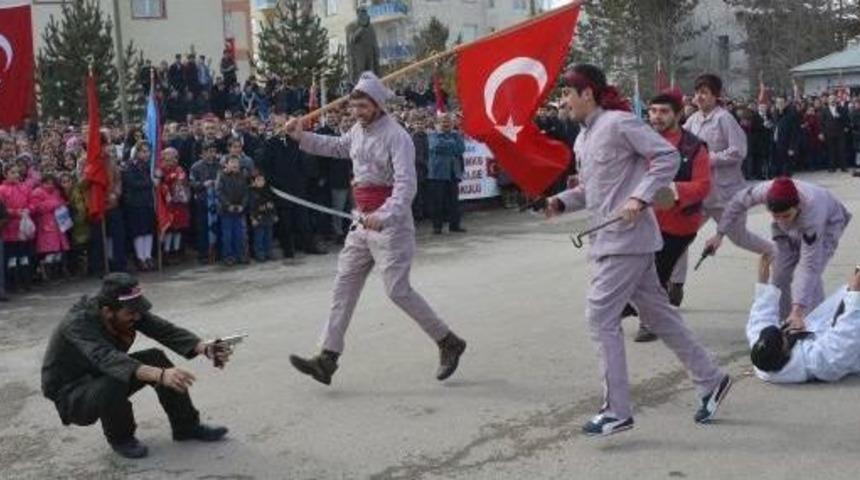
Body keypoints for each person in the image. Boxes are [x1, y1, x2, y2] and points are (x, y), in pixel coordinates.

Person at [545, 64, 731, 436]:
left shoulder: (618, 123)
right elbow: (593, 190)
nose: (563, 101)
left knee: (599, 317)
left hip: (625, 241)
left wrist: (640, 197)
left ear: (588, 94)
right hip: (611, 239)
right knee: (660, 315)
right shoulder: (583, 139)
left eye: (568, 93)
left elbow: (666, 157)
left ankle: (616, 410)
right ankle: (711, 379)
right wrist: (561, 202)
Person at [284, 72, 467, 385]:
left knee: (397, 291)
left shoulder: (398, 137)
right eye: (354, 107)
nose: (357, 112)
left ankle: (448, 341)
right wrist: (301, 135)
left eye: (363, 107)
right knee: (344, 285)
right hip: (360, 222)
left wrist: (385, 215)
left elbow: (406, 186)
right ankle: (327, 357)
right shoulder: (356, 130)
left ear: (378, 105)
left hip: (390, 226)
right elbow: (338, 147)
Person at [40, 273, 231, 459]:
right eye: (131, 313)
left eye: (138, 311)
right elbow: (106, 357)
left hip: (100, 373)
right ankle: (122, 439)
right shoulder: (77, 323)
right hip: (72, 392)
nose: (137, 317)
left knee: (154, 358)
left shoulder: (125, 310)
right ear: (107, 312)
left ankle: (186, 426)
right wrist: (160, 375)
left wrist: (205, 348)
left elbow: (164, 330)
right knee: (117, 378)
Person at [669, 74, 774, 306]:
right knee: (680, 235)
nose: (699, 96)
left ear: (716, 96)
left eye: (705, 92)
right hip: (700, 195)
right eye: (697, 92)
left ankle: (774, 250)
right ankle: (675, 286)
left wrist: (708, 159)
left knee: (740, 238)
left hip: (726, 194)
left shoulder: (724, 119)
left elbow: (739, 151)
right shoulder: (692, 120)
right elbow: (681, 146)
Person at [705, 177, 851, 330]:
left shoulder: (813, 211)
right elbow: (737, 203)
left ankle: (814, 325)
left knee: (810, 277)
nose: (782, 219)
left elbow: (809, 266)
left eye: (786, 215)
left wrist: (797, 309)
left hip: (829, 224)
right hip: (786, 229)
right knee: (780, 274)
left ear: (797, 206)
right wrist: (719, 234)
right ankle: (785, 323)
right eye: (776, 215)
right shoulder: (763, 191)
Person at [628, 89, 712, 343]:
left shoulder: (694, 147)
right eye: (653, 111)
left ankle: (648, 320)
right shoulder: (639, 140)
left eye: (664, 112)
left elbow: (703, 186)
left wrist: (672, 191)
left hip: (679, 224)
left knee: (655, 273)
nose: (656, 116)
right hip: (643, 219)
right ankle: (640, 307)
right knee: (638, 270)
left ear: (678, 114)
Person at [747, 256, 860, 383]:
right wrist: (855, 293)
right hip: (853, 343)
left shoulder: (762, 352)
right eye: (782, 336)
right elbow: (847, 335)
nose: (783, 330)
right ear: (785, 351)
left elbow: (760, 320)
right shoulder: (819, 361)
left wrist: (763, 280)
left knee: (847, 292)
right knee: (852, 297)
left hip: (823, 329)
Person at [427, 114, 467, 235]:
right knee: (437, 202)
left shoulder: (456, 135)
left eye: (448, 122)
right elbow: (436, 146)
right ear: (438, 123)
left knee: (454, 201)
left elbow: (461, 149)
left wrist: (447, 144)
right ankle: (437, 227)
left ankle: (454, 225)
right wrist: (451, 144)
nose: (446, 124)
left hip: (453, 172)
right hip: (437, 174)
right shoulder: (433, 135)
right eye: (443, 122)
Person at [0, 164, 35, 292]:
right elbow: (3, 210)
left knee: (24, 256)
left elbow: (32, 202)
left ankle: (25, 282)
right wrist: (15, 212)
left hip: (23, 228)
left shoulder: (24, 188)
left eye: (17, 172)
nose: (16, 175)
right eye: (12, 172)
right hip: (9, 229)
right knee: (11, 258)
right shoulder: (2, 189)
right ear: (5, 174)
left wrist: (28, 210)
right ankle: (12, 284)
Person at [122, 142, 156, 272]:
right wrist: (150, 182)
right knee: (139, 232)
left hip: (147, 202)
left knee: (148, 231)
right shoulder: (129, 166)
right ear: (136, 152)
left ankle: (148, 256)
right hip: (135, 203)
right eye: (143, 151)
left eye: (148, 151)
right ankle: (140, 258)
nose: (146, 154)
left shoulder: (148, 166)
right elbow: (132, 183)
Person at [31, 171, 71, 282]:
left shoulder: (56, 192)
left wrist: (61, 204)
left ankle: (55, 273)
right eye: (47, 183)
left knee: (57, 251)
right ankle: (46, 273)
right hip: (46, 224)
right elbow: (36, 208)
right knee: (49, 252)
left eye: (52, 183)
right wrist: (54, 204)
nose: (50, 185)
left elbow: (61, 202)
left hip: (58, 223)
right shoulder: (37, 192)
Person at [189, 142, 222, 264]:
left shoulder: (218, 166)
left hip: (216, 201)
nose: (210, 154)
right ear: (202, 153)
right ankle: (203, 254)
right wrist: (203, 184)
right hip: (203, 201)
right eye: (207, 151)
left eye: (212, 151)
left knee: (216, 227)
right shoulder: (196, 166)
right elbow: (191, 183)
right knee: (202, 228)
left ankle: (217, 252)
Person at [160, 148, 191, 265]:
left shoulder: (179, 169)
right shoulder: (161, 170)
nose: (172, 160)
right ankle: (166, 252)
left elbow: (184, 182)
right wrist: (170, 179)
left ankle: (176, 250)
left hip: (179, 203)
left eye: (175, 157)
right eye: (169, 157)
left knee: (178, 229)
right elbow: (161, 183)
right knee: (169, 229)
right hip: (167, 204)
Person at [216, 155, 249, 266]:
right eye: (232, 162)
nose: (235, 164)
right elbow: (219, 193)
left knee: (239, 234)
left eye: (236, 162)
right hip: (226, 211)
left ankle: (240, 255)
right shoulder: (221, 176)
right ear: (226, 164)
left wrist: (242, 205)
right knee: (227, 235)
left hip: (239, 210)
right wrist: (228, 205)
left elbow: (246, 193)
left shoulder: (242, 176)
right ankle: (228, 256)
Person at [248, 172, 277, 262]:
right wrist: (253, 218)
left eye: (262, 180)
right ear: (254, 181)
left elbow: (273, 204)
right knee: (259, 237)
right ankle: (259, 254)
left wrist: (275, 215)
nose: (261, 182)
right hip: (258, 218)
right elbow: (251, 207)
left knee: (268, 236)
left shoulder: (268, 190)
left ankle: (268, 252)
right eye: (258, 180)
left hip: (268, 217)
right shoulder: (252, 192)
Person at [820, 94, 850, 172]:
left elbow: (846, 119)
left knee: (842, 150)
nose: (832, 100)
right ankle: (832, 167)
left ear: (836, 100)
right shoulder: (824, 110)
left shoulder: (841, 109)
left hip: (840, 133)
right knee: (831, 151)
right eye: (831, 99)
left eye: (834, 99)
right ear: (828, 100)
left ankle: (843, 167)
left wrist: (845, 125)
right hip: (829, 133)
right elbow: (822, 123)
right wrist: (822, 133)